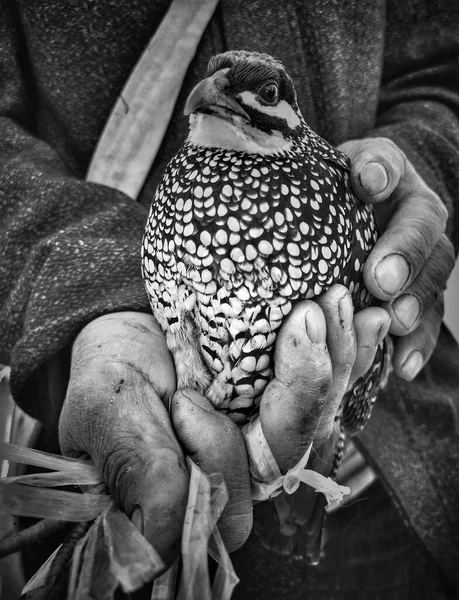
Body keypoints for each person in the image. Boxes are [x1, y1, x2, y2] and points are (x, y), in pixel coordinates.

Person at [0, 1, 458, 598]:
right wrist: (89, 287)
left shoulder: (325, 190)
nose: (220, 97)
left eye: (261, 94)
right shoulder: (183, 180)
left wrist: (408, 181)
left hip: (386, 477)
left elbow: (439, 69)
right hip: (105, 407)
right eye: (215, 90)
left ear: (285, 109)